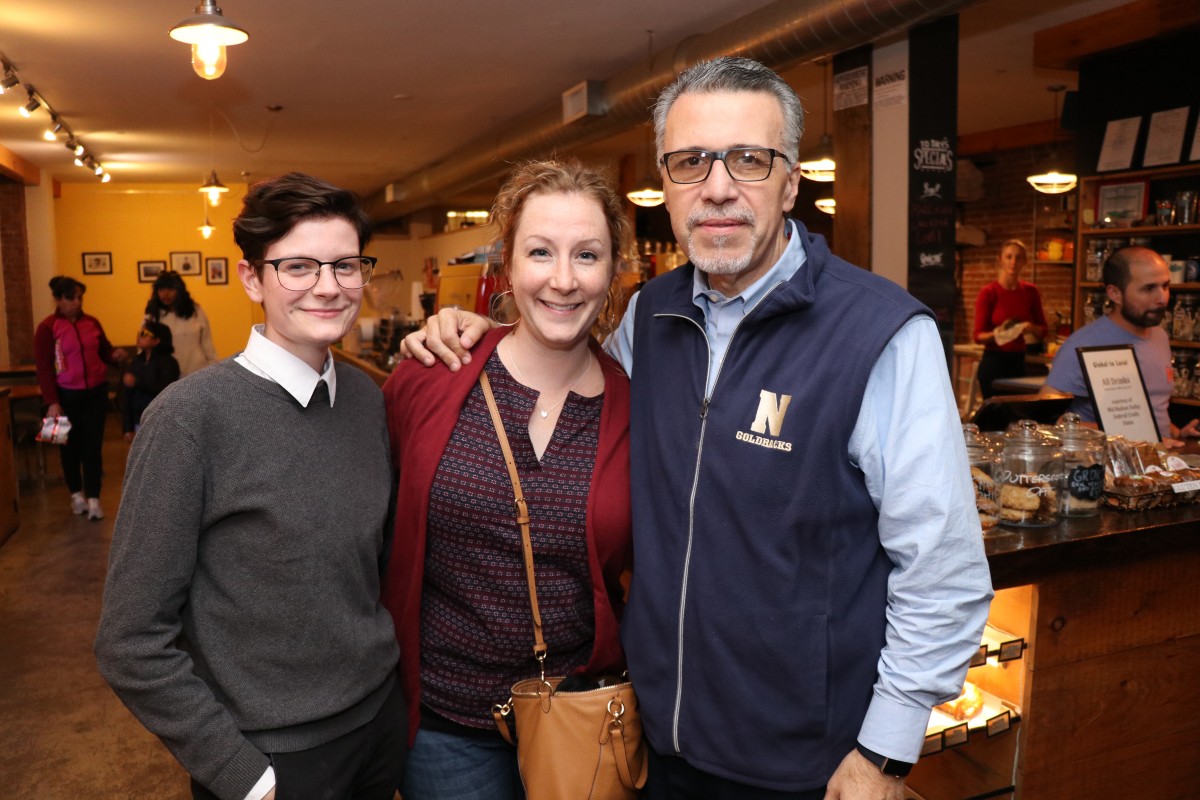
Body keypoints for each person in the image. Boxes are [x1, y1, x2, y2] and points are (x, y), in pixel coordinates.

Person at [404, 57, 993, 800]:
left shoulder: (879, 332)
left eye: (750, 159)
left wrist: (885, 750)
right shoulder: (649, 318)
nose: (718, 187)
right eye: (690, 163)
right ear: (666, 184)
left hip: (808, 762)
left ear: (791, 181)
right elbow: (557, 351)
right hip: (655, 741)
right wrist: (473, 335)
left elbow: (942, 566)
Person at [95, 172, 407, 800]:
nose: (328, 287)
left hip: (378, 727)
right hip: (272, 757)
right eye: (297, 266)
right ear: (251, 279)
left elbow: (367, 568)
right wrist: (244, 777)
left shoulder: (368, 401)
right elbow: (130, 640)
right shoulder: (189, 419)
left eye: (346, 266)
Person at [381, 159, 634, 800]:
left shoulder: (640, 409)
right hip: (445, 729)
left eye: (588, 255)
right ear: (508, 265)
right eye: (540, 252)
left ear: (613, 273)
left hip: (581, 716)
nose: (563, 280)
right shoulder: (431, 378)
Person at [1041, 246, 1200, 444]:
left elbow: (1153, 409)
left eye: (1165, 286)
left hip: (1161, 464)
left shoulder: (1160, 337)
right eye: (1149, 288)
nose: (1162, 298)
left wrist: (1176, 433)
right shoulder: (1083, 344)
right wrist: (1135, 437)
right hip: (1109, 468)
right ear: (1115, 293)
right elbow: (1046, 421)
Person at [33, 276, 126, 520]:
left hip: (95, 392)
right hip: (65, 396)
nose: (76, 302)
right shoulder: (47, 327)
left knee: (93, 448)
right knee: (69, 448)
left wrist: (115, 355)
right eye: (70, 298)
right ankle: (76, 494)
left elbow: (104, 351)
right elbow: (44, 368)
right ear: (58, 299)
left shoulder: (92, 323)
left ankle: (94, 498)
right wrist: (51, 401)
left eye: (80, 298)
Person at [972, 239, 1047, 396]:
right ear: (1000, 260)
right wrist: (1002, 333)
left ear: (1024, 261)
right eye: (1009, 257)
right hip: (993, 361)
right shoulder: (989, 292)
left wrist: (1030, 328)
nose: (1013, 262)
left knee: (1016, 414)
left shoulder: (1031, 292)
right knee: (995, 417)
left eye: (1018, 257)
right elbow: (978, 336)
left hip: (1018, 361)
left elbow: (1043, 330)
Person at [144, 270, 220, 376]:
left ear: (179, 290)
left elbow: (207, 344)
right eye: (161, 289)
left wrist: (215, 369)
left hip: (196, 371)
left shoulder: (194, 310)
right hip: (165, 375)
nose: (165, 294)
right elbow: (143, 345)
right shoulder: (152, 314)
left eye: (170, 289)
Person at [120, 320, 180, 442]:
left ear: (157, 340)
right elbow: (127, 398)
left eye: (144, 333)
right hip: (139, 421)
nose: (139, 337)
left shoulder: (168, 363)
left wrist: (137, 382)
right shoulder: (136, 362)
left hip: (161, 422)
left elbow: (165, 390)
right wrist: (127, 427)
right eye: (139, 333)